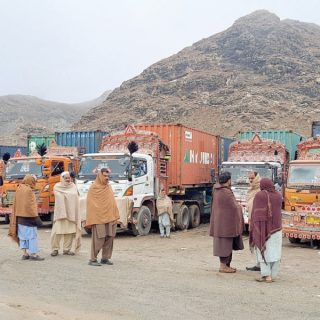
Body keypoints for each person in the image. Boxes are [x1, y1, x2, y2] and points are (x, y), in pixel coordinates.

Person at [209, 171, 244, 273]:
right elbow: (234, 206)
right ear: (228, 180)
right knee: (225, 246)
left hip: (220, 223)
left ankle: (226, 265)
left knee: (226, 245)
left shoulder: (216, 190)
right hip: (225, 225)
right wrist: (240, 207)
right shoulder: (225, 192)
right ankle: (223, 266)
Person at [249, 178, 282, 283]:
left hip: (264, 229)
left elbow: (256, 212)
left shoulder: (260, 195)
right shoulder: (278, 195)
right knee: (275, 253)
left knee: (264, 252)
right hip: (277, 229)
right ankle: (272, 275)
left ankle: (266, 276)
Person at [86, 168, 120, 266]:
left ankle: (105, 258)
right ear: (100, 176)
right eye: (104, 176)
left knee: (110, 238)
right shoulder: (93, 188)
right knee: (98, 239)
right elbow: (91, 205)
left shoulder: (108, 187)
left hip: (110, 217)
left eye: (108, 176)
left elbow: (112, 202)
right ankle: (92, 259)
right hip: (99, 218)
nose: (107, 178)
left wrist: (114, 215)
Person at [8, 174, 44, 261]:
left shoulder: (19, 188)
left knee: (22, 237)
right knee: (32, 236)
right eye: (34, 181)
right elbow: (31, 206)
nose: (35, 183)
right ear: (31, 181)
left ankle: (25, 254)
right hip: (29, 218)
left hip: (19, 218)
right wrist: (36, 217)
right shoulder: (29, 190)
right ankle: (34, 254)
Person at [51, 171, 81, 256]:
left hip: (71, 213)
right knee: (56, 232)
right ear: (62, 178)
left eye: (69, 178)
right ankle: (55, 249)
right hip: (61, 214)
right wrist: (67, 196)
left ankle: (66, 249)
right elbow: (58, 196)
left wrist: (66, 196)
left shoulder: (73, 186)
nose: (68, 179)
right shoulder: (57, 186)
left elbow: (75, 197)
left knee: (69, 232)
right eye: (66, 178)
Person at [245, 171, 261, 271]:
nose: (251, 180)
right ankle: (259, 263)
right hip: (252, 219)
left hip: (258, 220)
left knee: (260, 241)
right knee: (256, 241)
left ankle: (261, 264)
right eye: (250, 178)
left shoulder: (260, 190)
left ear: (257, 178)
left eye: (252, 178)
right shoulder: (251, 189)